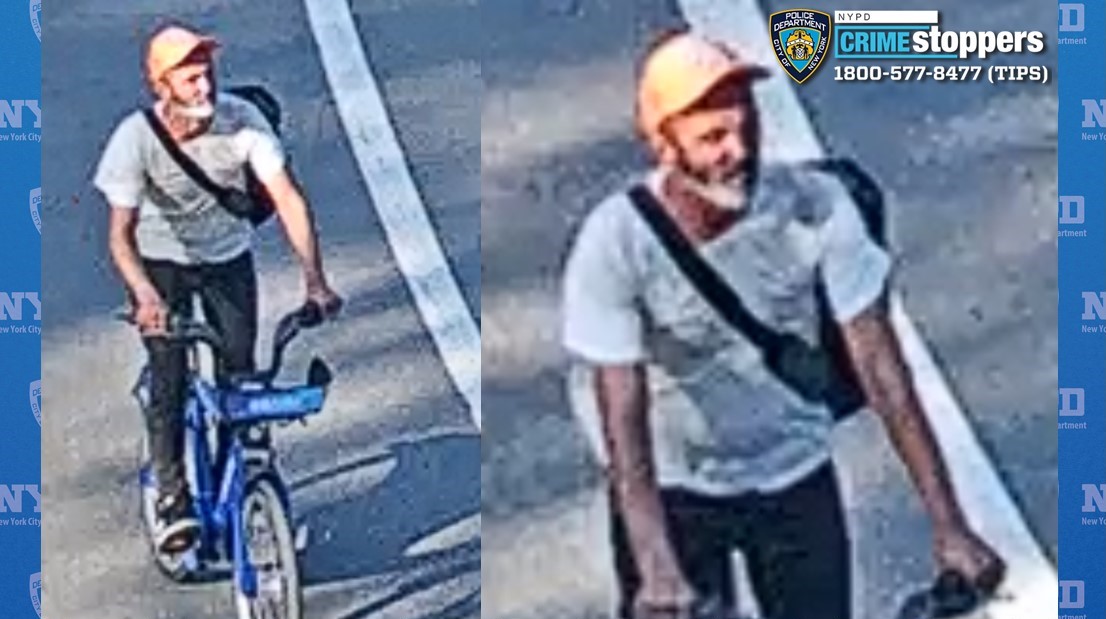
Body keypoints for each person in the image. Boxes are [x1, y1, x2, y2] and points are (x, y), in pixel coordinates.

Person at [561, 29, 1005, 619]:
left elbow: (880, 367)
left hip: (792, 473)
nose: (737, 151)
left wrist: (949, 525)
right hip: (676, 489)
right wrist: (656, 564)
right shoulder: (616, 243)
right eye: (712, 137)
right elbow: (623, 412)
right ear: (663, 143)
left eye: (745, 126)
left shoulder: (815, 205)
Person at [92, 23, 342, 554]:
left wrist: (315, 281)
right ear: (161, 85)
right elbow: (120, 236)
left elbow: (289, 199)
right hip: (162, 265)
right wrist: (146, 297)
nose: (203, 86)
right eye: (188, 78)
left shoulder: (242, 123)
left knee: (241, 378)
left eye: (206, 74)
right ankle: (172, 495)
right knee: (170, 379)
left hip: (228, 259)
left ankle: (248, 483)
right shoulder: (134, 139)